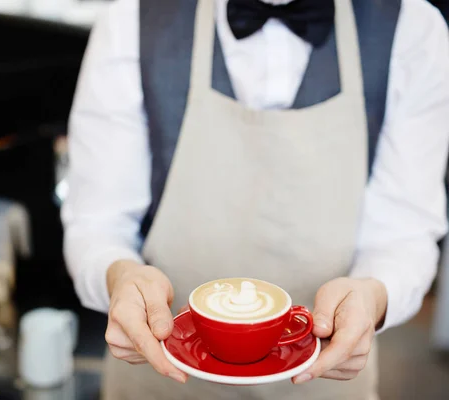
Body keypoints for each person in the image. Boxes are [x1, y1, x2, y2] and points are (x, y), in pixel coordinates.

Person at [62, 0, 449, 398]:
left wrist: (373, 295)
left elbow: (404, 233)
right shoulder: (133, 20)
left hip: (326, 382)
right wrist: (120, 276)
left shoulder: (410, 27)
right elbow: (97, 222)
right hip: (158, 375)